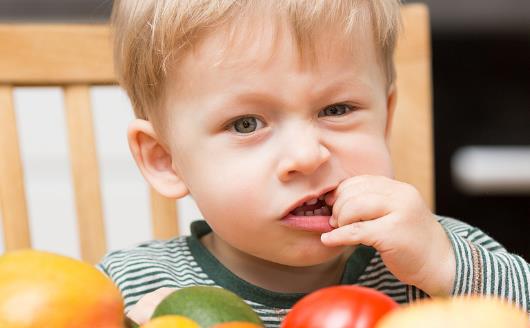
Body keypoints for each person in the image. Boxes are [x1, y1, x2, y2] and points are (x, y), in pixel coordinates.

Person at [98, 0, 530, 326]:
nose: (307, 156)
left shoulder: (438, 257)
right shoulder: (133, 287)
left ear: (385, 119)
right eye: (246, 123)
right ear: (166, 160)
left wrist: (445, 266)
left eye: (337, 109)